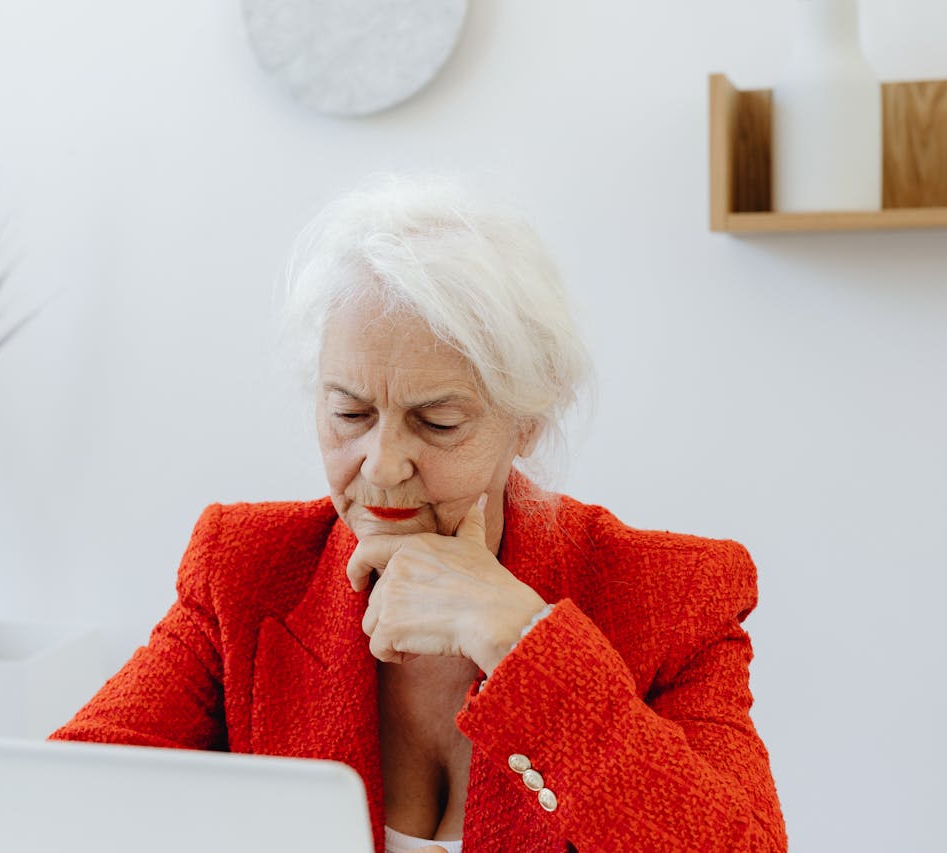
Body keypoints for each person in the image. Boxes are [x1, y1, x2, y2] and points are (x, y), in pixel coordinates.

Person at [50, 175, 787, 853]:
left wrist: (523, 642)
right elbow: (53, 809)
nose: (381, 463)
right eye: (349, 411)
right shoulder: (244, 571)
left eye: (436, 422)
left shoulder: (671, 593)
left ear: (524, 422)